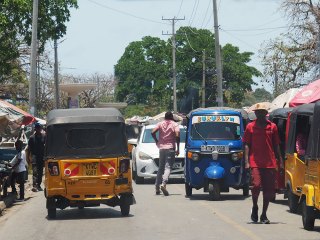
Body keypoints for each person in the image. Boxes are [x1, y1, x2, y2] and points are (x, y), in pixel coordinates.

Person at [243, 103, 283, 224]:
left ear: (266, 113)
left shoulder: (273, 127)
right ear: (255, 113)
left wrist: (280, 161)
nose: (260, 114)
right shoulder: (250, 127)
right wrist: (246, 162)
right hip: (254, 161)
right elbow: (246, 145)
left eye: (262, 112)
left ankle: (264, 214)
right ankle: (255, 206)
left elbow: (276, 145)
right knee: (255, 186)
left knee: (269, 191)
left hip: (270, 162)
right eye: (258, 112)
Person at [151, 111, 180, 196]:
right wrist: (177, 148)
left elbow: (153, 132)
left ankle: (157, 187)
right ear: (171, 117)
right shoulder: (174, 124)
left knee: (160, 168)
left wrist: (157, 141)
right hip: (170, 148)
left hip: (162, 148)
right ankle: (163, 184)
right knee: (168, 167)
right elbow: (177, 135)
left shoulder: (160, 123)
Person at [27, 122, 46, 192]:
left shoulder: (44, 136)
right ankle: (34, 186)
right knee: (35, 172)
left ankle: (39, 185)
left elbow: (46, 147)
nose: (38, 130)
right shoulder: (32, 138)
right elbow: (29, 149)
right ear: (35, 129)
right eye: (37, 128)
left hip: (41, 157)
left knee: (40, 172)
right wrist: (28, 157)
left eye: (39, 128)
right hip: (34, 156)